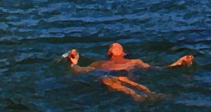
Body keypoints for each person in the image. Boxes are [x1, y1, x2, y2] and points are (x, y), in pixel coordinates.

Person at [66, 42, 194, 100]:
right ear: (108, 52)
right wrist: (74, 63)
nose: (114, 45)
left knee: (122, 79)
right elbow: (82, 71)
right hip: (106, 77)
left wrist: (177, 64)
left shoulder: (134, 61)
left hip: (124, 75)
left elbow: (156, 69)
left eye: (117, 46)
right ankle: (136, 96)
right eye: (111, 46)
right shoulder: (100, 63)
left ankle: (149, 94)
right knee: (107, 79)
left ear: (124, 53)